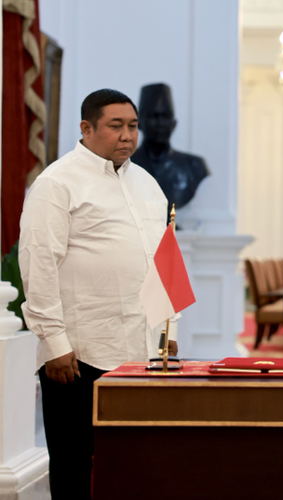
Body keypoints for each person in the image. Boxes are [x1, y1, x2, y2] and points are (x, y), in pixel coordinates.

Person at [19, 89, 179, 499]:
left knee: (135, 465)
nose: (128, 136)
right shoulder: (57, 183)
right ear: (86, 129)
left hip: (142, 354)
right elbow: (39, 264)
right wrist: (54, 343)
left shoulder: (147, 184)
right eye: (116, 126)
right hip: (79, 355)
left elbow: (165, 263)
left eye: (133, 126)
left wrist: (168, 329)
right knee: (75, 467)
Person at [130, 83, 210, 213]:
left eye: (166, 116)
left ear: (174, 124)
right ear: (138, 124)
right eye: (153, 116)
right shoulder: (123, 165)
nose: (160, 123)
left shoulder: (194, 166)